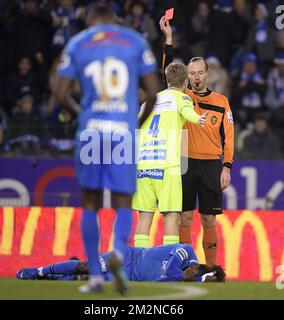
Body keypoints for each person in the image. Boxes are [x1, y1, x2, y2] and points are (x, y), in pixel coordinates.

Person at [54, 5, 159, 294]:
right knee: (124, 201)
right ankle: (119, 255)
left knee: (90, 202)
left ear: (90, 20)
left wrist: (82, 117)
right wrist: (135, 122)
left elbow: (60, 94)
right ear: (115, 20)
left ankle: (96, 278)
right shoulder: (135, 41)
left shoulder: (78, 43)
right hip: (122, 133)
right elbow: (152, 92)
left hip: (91, 133)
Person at [160, 16, 234, 267]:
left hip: (211, 165)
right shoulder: (182, 96)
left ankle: (211, 268)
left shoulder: (222, 102)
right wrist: (168, 40)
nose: (196, 77)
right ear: (188, 77)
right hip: (185, 163)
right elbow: (168, 73)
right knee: (185, 218)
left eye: (200, 73)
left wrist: (227, 166)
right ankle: (186, 266)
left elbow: (229, 136)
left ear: (207, 74)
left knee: (209, 220)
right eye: (192, 74)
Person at [133, 62, 207, 248]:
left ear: (166, 80)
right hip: (167, 166)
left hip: (143, 165)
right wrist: (199, 119)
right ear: (186, 82)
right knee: (172, 217)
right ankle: (168, 266)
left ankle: (138, 266)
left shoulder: (148, 102)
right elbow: (187, 112)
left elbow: (134, 129)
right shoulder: (181, 98)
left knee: (144, 218)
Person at [16, 244, 226, 283]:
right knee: (85, 267)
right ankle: (38, 271)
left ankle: (52, 277)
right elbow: (168, 273)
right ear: (198, 267)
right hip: (128, 256)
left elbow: (162, 280)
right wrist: (182, 276)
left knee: (80, 279)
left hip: (128, 277)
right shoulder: (185, 251)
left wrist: (183, 278)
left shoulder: (191, 280)